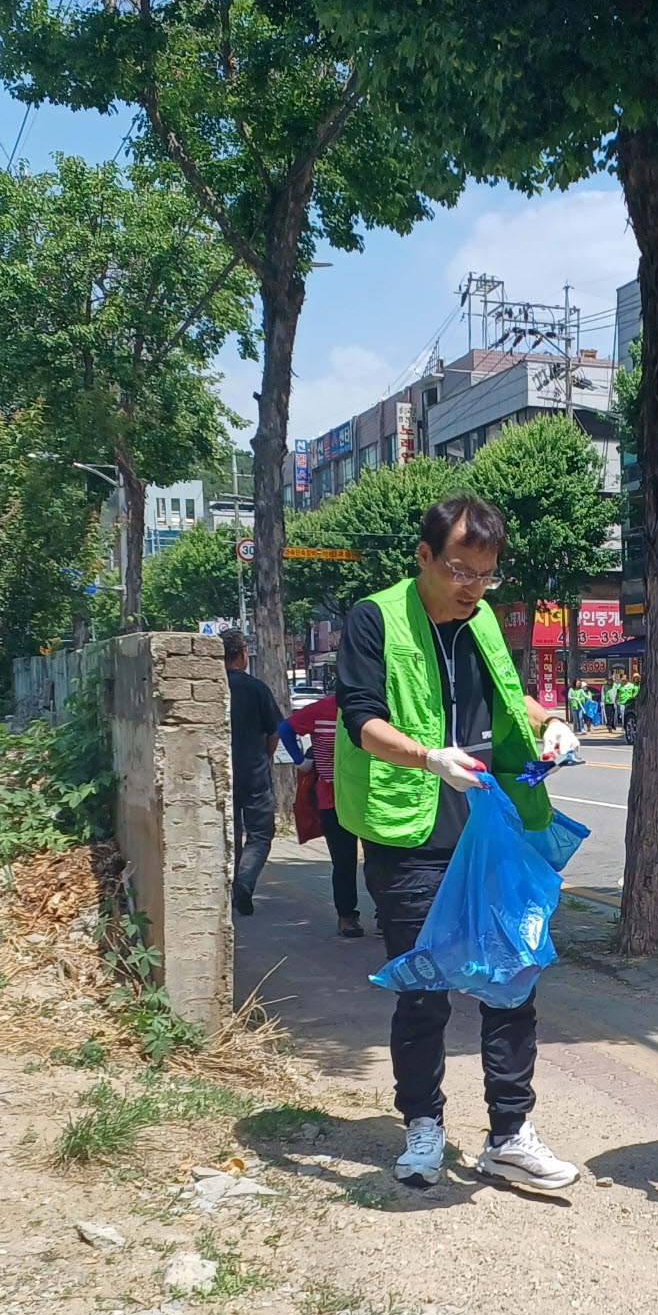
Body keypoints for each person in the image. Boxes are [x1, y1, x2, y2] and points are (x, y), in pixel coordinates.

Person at [334, 493, 582, 1194]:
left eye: (485, 573)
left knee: (512, 977)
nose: (471, 587)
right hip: (409, 830)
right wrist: (427, 758)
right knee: (425, 988)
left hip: (493, 825)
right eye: (458, 569)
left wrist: (551, 722)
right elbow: (361, 720)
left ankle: (509, 1134)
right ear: (423, 557)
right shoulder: (374, 618)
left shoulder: (483, 626)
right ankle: (422, 1125)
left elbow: (511, 701)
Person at [283, 686, 364, 938]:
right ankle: (347, 916)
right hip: (332, 797)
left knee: (380, 859)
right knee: (344, 860)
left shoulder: (376, 708)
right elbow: (285, 730)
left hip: (370, 797)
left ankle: (386, 914)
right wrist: (300, 761)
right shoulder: (321, 709)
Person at [223, 629, 282, 917]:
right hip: (255, 773)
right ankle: (244, 882)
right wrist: (265, 759)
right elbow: (274, 732)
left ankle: (232, 885)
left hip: (220, 776)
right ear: (243, 655)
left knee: (228, 834)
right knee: (260, 833)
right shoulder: (257, 688)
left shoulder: (213, 689)